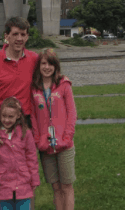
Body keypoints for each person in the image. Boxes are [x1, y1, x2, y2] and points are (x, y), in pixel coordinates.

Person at [0, 17, 38, 210]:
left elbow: (50, 72)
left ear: (27, 37)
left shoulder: (34, 60)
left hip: (23, 123)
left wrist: (64, 79)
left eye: (23, 34)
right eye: (15, 34)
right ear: (6, 37)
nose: (19, 38)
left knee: (26, 175)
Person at [30, 49, 77, 210]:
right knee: (56, 188)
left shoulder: (63, 85)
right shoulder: (34, 88)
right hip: (46, 146)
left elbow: (72, 113)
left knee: (66, 187)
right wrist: (38, 140)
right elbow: (33, 118)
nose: (47, 67)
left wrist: (67, 137)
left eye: (50, 63)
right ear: (39, 66)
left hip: (65, 144)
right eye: (43, 63)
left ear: (56, 66)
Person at [0, 97, 40, 210]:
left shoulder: (26, 134)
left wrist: (34, 179)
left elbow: (32, 158)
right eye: (4, 116)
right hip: (3, 185)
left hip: (23, 184)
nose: (6, 120)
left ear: (18, 116)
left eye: (10, 117)